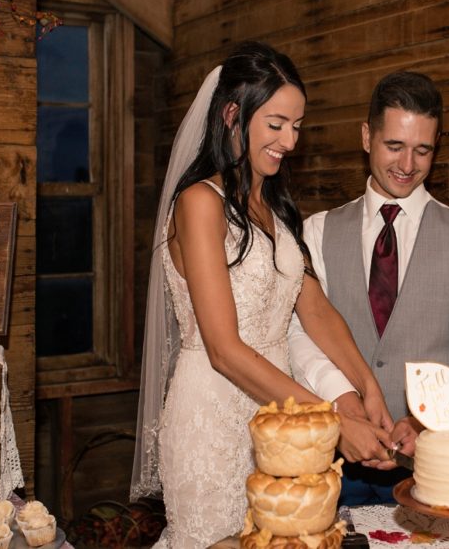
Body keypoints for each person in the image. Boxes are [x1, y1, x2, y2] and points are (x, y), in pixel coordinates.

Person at [130, 42, 395, 547]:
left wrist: (366, 386)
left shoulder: (273, 208)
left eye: (297, 126)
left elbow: (314, 308)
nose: (289, 141)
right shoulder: (198, 203)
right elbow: (224, 350)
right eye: (276, 124)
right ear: (233, 114)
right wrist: (329, 420)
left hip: (282, 423)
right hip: (213, 417)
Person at [287, 71, 449, 505]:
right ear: (367, 136)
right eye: (394, 146)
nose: (407, 165)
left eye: (422, 150)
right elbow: (298, 334)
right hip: (328, 464)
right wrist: (341, 403)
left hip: (433, 469)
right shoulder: (315, 233)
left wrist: (429, 419)